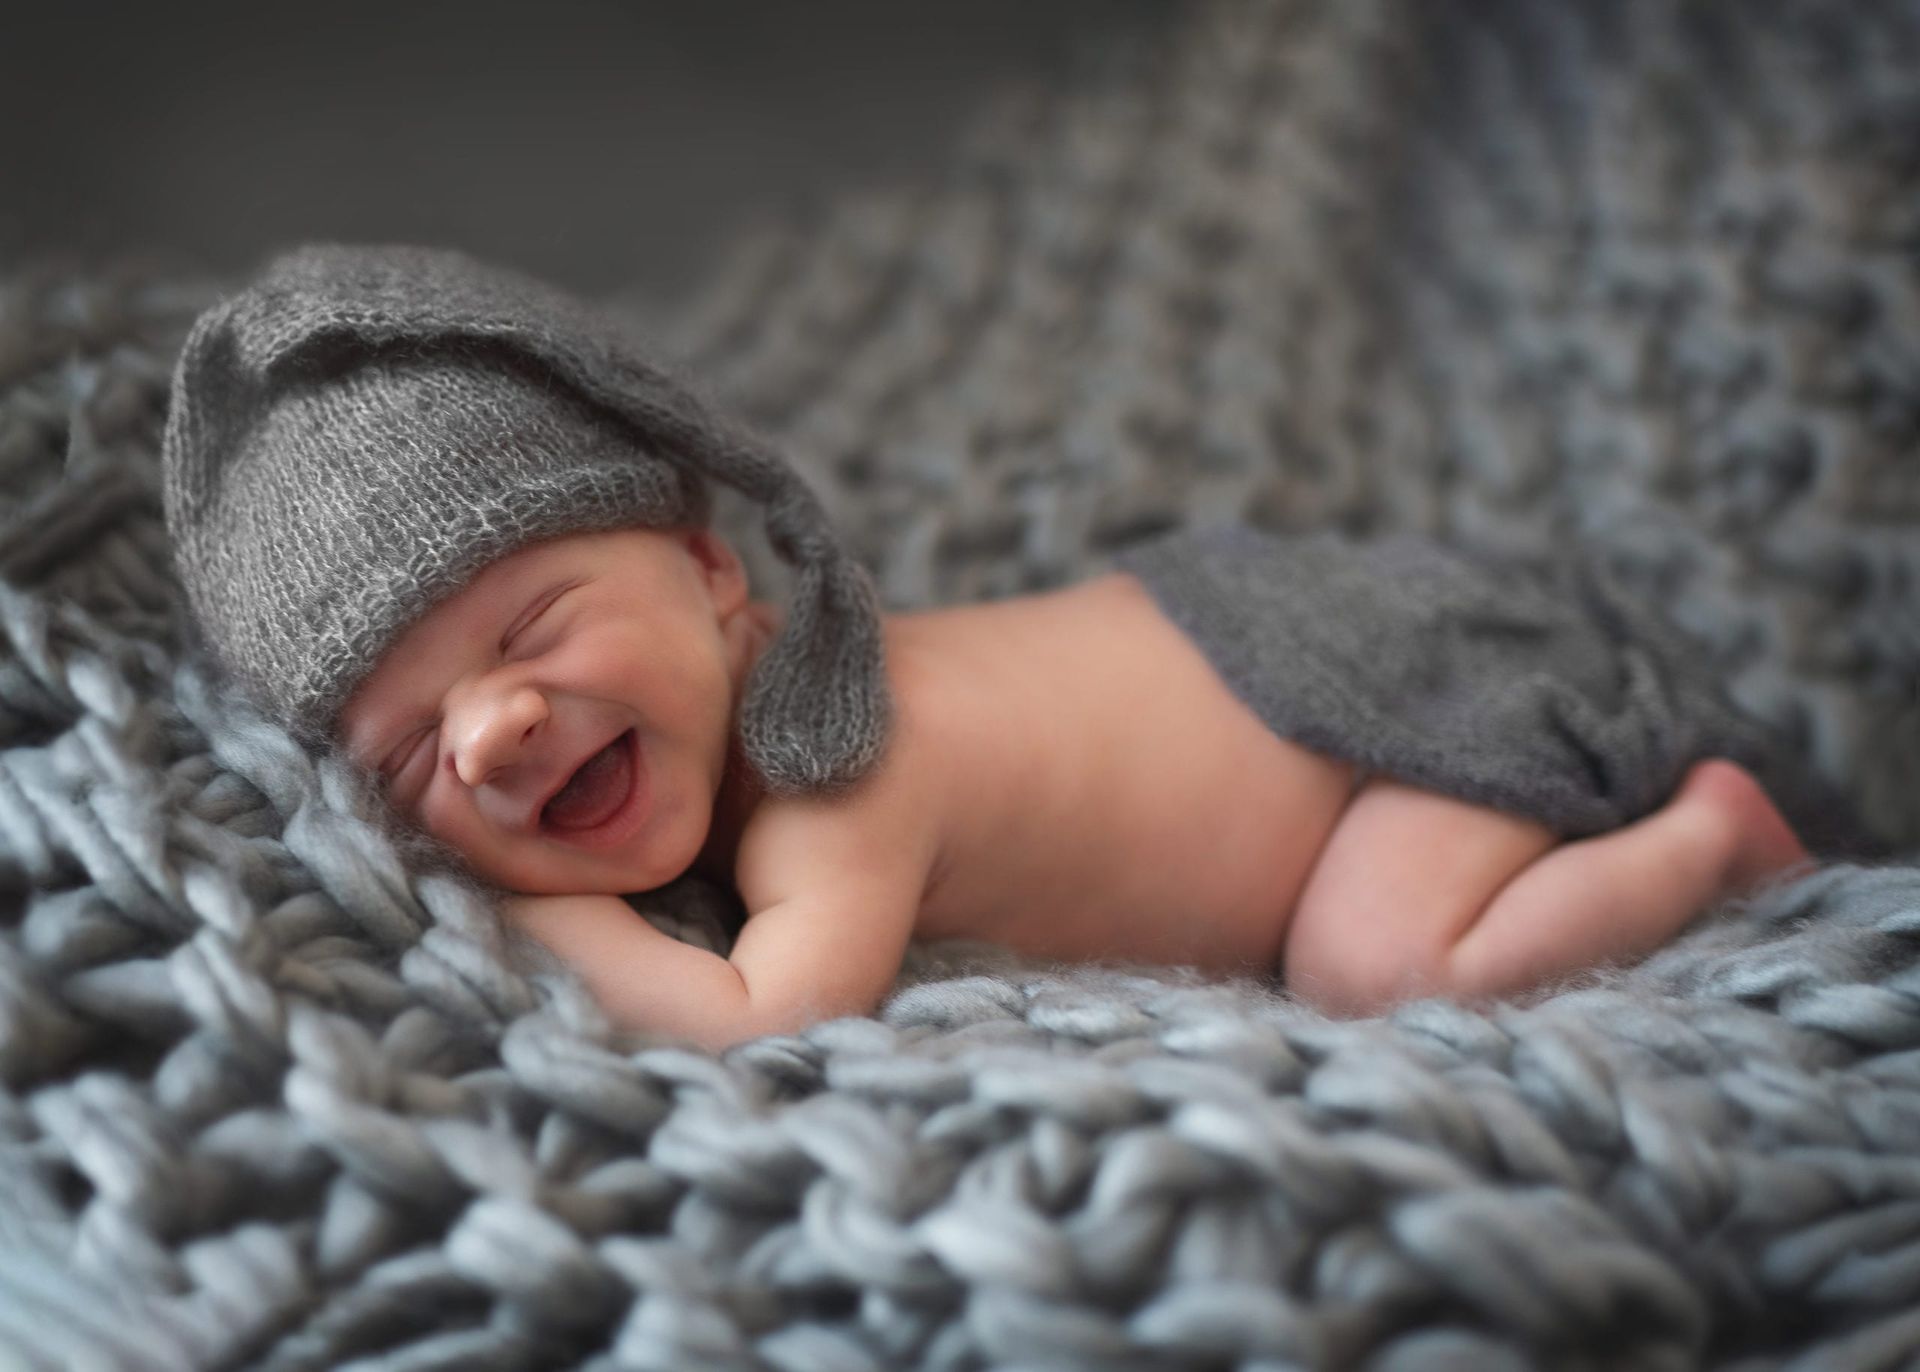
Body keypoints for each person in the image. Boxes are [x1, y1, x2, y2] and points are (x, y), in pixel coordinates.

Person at [164, 244, 1815, 1051]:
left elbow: (757, 1020)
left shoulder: (836, 782)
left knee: (1375, 971)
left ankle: (1706, 834)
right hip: (1225, 631)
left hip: (1387, 711)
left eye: (530, 626)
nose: (495, 735)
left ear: (707, 567)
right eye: (405, 759)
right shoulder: (733, 714)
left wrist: (507, 908)